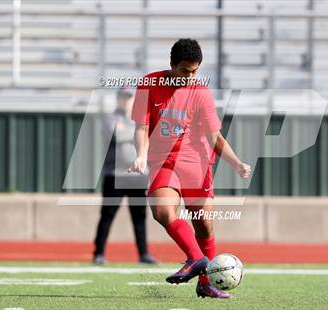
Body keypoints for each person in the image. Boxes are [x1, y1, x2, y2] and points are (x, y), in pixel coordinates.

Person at [129, 38, 251, 298]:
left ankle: (205, 283)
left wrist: (237, 163)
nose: (190, 77)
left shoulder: (201, 93)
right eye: (185, 71)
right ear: (172, 65)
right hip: (163, 160)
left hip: (196, 162)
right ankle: (196, 258)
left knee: (203, 224)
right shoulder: (148, 84)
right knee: (162, 211)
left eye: (195, 71)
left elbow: (214, 137)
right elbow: (141, 128)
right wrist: (141, 154)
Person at [93, 89, 158, 265]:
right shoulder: (109, 118)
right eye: (123, 97)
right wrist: (138, 133)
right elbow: (117, 135)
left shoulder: (141, 119)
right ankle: (98, 253)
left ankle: (144, 254)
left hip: (138, 176)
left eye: (129, 98)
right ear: (118, 99)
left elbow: (149, 137)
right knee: (107, 215)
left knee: (139, 216)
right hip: (115, 175)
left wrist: (139, 132)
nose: (126, 101)